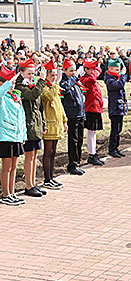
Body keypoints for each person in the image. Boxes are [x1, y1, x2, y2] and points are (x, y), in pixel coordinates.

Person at [15, 58, 47, 198]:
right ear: (21, 73)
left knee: (34, 155)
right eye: (29, 73)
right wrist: (42, 81)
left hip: (36, 125)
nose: (31, 76)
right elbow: (33, 96)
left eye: (33, 73)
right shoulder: (20, 87)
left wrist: (43, 123)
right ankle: (28, 185)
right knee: (29, 156)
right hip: (28, 126)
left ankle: (33, 183)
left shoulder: (32, 85)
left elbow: (40, 107)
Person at [0, 67, 25, 205]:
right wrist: (9, 82)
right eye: (9, 83)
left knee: (14, 166)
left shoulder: (14, 96)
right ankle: (5, 194)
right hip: (5, 136)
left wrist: (23, 136)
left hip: (16, 136)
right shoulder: (2, 97)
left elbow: (21, 118)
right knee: (7, 166)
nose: (12, 85)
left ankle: (12, 192)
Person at [41, 59, 67, 189]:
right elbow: (50, 97)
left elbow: (59, 105)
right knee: (48, 152)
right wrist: (56, 84)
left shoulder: (54, 87)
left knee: (53, 152)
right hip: (49, 125)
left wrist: (64, 120)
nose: (54, 77)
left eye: (55, 75)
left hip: (57, 124)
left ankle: (51, 177)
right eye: (52, 75)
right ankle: (47, 179)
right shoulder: (45, 88)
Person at [60, 58, 86, 176]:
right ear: (64, 71)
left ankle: (78, 161)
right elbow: (64, 89)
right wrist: (74, 78)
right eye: (70, 71)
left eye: (74, 70)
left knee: (80, 139)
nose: (73, 73)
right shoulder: (65, 81)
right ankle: (72, 164)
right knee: (73, 140)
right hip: (72, 115)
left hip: (80, 114)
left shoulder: (75, 81)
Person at [79, 59, 105, 166]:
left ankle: (93, 153)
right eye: (91, 69)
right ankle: (91, 154)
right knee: (91, 132)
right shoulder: (85, 80)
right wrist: (97, 68)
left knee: (93, 132)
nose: (94, 71)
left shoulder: (90, 78)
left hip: (95, 108)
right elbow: (93, 77)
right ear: (86, 70)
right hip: (90, 108)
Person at [104, 58, 128, 158]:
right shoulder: (109, 79)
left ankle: (116, 147)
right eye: (116, 69)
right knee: (115, 129)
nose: (119, 71)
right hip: (114, 108)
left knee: (119, 129)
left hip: (120, 107)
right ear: (110, 68)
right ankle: (112, 148)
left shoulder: (116, 77)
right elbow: (119, 85)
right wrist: (122, 75)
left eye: (119, 69)